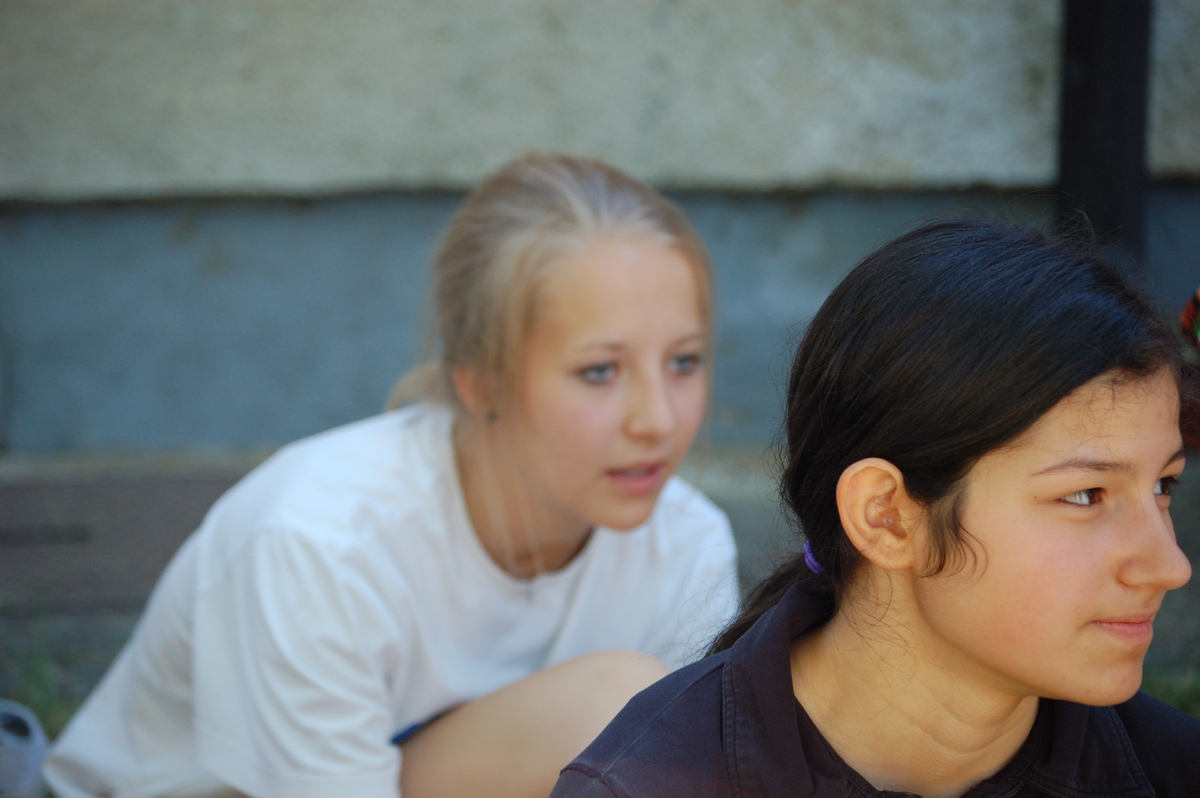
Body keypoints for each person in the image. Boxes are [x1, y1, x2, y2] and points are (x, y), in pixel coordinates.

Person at [45, 154, 739, 798]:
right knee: (617, 706)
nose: (657, 419)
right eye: (600, 371)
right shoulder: (318, 544)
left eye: (683, 361)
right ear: (479, 379)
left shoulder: (688, 547)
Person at [552, 218, 1200, 798]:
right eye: (1085, 495)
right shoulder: (649, 783)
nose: (1170, 566)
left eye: (1163, 486)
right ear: (885, 515)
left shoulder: (1175, 769)